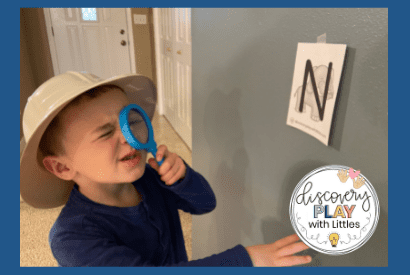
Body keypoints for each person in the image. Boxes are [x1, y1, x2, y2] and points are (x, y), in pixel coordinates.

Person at [20, 71, 312, 267]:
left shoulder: (149, 178)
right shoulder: (72, 238)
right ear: (61, 167)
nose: (130, 137)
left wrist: (182, 178)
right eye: (106, 133)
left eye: (129, 122)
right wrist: (245, 258)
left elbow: (205, 203)